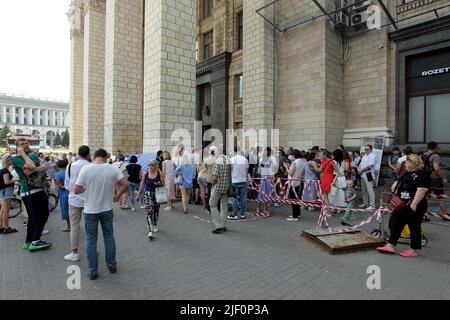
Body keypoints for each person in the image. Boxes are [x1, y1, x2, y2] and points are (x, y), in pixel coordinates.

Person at [74, 148, 129, 280]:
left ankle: (93, 271)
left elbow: (76, 190)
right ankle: (111, 265)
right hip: (107, 209)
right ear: (105, 157)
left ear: (94, 157)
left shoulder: (86, 169)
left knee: (91, 239)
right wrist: (117, 195)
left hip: (90, 210)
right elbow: (126, 184)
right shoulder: (112, 168)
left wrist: (87, 188)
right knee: (109, 237)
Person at [377, 154, 430, 257]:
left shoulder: (421, 174)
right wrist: (395, 185)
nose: (405, 164)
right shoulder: (407, 172)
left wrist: (414, 204)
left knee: (414, 227)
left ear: (413, 163)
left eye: (407, 162)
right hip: (401, 204)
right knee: (395, 223)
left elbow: (422, 189)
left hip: (414, 205)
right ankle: (391, 245)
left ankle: (413, 250)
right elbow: (400, 182)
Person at [13, 138, 51, 251]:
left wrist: (34, 169)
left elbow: (45, 165)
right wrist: (23, 154)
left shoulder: (33, 155)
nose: (25, 145)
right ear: (17, 148)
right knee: (42, 215)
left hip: (38, 189)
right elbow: (30, 166)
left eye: (26, 143)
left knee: (34, 217)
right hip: (30, 191)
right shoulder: (17, 158)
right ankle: (35, 241)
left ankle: (29, 241)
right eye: (22, 144)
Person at [63, 145, 91, 262]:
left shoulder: (70, 166)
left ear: (78, 154)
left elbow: (67, 185)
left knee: (75, 226)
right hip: (89, 200)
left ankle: (75, 252)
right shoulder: (91, 166)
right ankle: (92, 248)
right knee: (90, 226)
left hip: (74, 199)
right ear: (89, 154)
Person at [422, 141, 448, 220]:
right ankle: (445, 215)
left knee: (425, 197)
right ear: (435, 147)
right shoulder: (435, 156)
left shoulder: (424, 154)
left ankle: (423, 215)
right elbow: (436, 168)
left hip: (425, 178)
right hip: (435, 179)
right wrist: (442, 178)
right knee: (440, 197)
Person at [137, 160, 163, 239]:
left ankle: (155, 224)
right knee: (149, 211)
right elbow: (142, 185)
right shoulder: (146, 173)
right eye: (150, 165)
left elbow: (163, 183)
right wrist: (138, 195)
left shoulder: (159, 173)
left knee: (156, 210)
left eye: (152, 165)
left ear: (156, 166)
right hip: (147, 194)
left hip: (157, 194)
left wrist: (159, 183)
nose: (151, 167)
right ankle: (150, 231)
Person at [210, 146, 232, 234]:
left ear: (217, 152)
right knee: (224, 206)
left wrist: (212, 186)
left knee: (212, 204)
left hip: (218, 187)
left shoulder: (217, 161)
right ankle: (223, 225)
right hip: (226, 186)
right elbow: (230, 175)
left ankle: (218, 225)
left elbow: (215, 177)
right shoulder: (228, 160)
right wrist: (229, 187)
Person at [284, 149, 305, 222]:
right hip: (297, 181)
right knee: (296, 198)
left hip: (292, 181)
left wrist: (286, 167)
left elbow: (291, 173)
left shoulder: (295, 162)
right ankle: (297, 213)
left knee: (293, 199)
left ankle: (294, 216)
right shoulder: (302, 162)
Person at [229, 147, 249, 220]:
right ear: (240, 151)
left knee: (235, 198)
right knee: (243, 198)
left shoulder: (232, 160)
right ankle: (242, 214)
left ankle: (234, 214)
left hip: (234, 181)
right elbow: (247, 172)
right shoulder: (245, 160)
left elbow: (230, 171)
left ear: (234, 151)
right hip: (243, 180)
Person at [257, 147, 278, 214]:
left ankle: (260, 208)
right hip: (269, 178)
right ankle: (265, 209)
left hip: (263, 178)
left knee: (262, 192)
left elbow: (259, 171)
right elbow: (272, 170)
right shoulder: (272, 159)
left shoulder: (261, 159)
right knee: (268, 193)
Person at [0, 154, 17, 234]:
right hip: (6, 191)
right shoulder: (5, 170)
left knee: (3, 210)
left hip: (3, 191)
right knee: (6, 211)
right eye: (11, 160)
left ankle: (1, 226)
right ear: (8, 161)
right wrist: (15, 180)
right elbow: (6, 182)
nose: (12, 161)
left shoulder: (2, 169)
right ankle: (6, 227)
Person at [358, 145, 377, 210]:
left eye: (367, 149)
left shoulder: (373, 155)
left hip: (369, 174)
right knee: (363, 189)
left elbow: (370, 166)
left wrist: (361, 170)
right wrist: (359, 170)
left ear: (371, 149)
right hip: (362, 174)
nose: (366, 150)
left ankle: (372, 205)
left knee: (370, 190)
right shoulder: (364, 156)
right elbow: (361, 165)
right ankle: (365, 202)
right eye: (365, 149)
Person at [54, 160, 70, 232]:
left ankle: (69, 226)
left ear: (58, 166)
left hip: (63, 193)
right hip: (72, 193)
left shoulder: (58, 174)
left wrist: (65, 187)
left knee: (65, 209)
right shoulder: (70, 172)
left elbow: (58, 185)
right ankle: (75, 224)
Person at [204, 146, 217, 213]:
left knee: (209, 194)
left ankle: (209, 209)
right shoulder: (217, 159)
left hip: (209, 178)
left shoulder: (207, 159)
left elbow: (206, 167)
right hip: (217, 178)